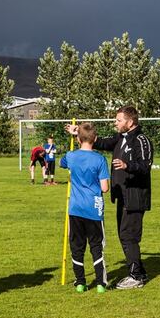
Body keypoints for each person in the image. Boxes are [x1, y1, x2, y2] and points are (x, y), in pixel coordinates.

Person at [66, 106, 153, 289]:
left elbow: (145, 166)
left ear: (130, 122)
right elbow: (100, 143)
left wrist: (127, 165)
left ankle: (136, 277)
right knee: (125, 235)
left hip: (135, 196)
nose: (116, 123)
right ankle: (138, 271)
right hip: (122, 196)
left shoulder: (141, 140)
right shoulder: (120, 138)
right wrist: (79, 133)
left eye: (118, 120)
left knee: (129, 236)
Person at [59, 123, 110, 292]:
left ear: (79, 139)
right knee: (96, 246)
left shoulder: (71, 156)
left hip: (75, 209)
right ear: (95, 139)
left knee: (77, 247)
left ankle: (80, 282)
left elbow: (63, 163)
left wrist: (74, 135)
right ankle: (101, 284)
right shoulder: (100, 159)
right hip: (94, 209)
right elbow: (104, 188)